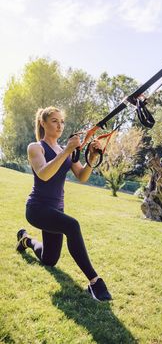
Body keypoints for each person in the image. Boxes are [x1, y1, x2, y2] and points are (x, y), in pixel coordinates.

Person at [16, 106, 112, 301]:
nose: (59, 125)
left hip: (55, 211)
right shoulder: (36, 147)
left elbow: (82, 176)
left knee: (49, 260)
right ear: (43, 123)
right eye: (54, 121)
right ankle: (95, 282)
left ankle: (25, 239)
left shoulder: (65, 151)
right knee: (72, 225)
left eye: (62, 122)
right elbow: (43, 174)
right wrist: (68, 149)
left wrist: (91, 157)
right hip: (37, 209)